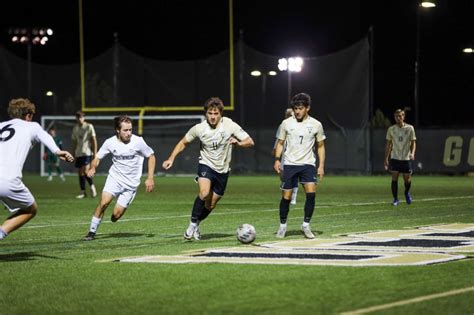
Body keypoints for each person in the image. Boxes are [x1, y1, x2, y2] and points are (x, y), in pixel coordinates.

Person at [162, 96, 254, 241]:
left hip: (223, 170)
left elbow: (250, 141)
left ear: (221, 114)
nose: (213, 116)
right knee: (204, 193)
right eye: (210, 113)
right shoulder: (199, 128)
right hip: (206, 165)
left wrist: (238, 144)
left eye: (216, 113)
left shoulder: (229, 125)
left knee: (210, 204)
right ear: (206, 114)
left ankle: (197, 223)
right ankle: (192, 224)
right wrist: (171, 158)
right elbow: (183, 142)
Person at [0, 98, 74, 240]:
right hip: (7, 180)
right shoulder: (32, 126)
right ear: (28, 115)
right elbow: (45, 136)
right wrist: (57, 151)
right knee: (30, 209)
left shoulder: (1, 125)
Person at [83, 115, 155, 241]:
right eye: (125, 130)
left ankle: (114, 216)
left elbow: (151, 156)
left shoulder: (138, 141)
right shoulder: (110, 142)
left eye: (130, 130)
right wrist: (93, 167)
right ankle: (91, 232)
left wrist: (150, 178)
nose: (129, 133)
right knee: (104, 203)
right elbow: (98, 157)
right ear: (117, 130)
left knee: (116, 216)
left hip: (131, 185)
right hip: (114, 178)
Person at [273, 92, 326, 239]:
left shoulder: (316, 124)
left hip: (308, 164)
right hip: (290, 164)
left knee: (311, 194)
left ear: (307, 108)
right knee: (286, 197)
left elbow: (320, 146)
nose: (297, 111)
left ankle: (306, 225)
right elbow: (280, 143)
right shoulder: (286, 123)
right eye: (295, 108)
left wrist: (321, 166)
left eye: (300, 108)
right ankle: (283, 226)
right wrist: (277, 160)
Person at [384, 108, 416, 206]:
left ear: (403, 117)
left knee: (407, 180)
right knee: (394, 178)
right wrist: (386, 158)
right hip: (395, 157)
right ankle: (395, 199)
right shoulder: (391, 129)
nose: (399, 118)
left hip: (406, 158)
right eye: (397, 116)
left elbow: (413, 142)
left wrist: (413, 153)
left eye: (400, 116)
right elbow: (388, 145)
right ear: (394, 117)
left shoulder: (410, 128)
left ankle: (406, 193)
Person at [272, 107, 298, 205]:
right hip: (284, 153)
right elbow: (279, 140)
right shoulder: (283, 125)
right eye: (289, 115)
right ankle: (286, 194)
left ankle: (293, 198)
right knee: (283, 176)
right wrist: (275, 149)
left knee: (293, 175)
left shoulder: (298, 125)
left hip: (294, 154)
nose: (291, 117)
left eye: (292, 115)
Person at [71, 110, 98, 198]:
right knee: (80, 173)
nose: (79, 119)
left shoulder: (89, 126)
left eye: (81, 117)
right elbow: (74, 142)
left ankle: (92, 187)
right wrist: (73, 153)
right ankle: (83, 192)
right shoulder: (75, 128)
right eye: (78, 117)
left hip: (87, 152)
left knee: (85, 171)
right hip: (78, 153)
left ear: (84, 118)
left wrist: (95, 153)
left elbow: (94, 140)